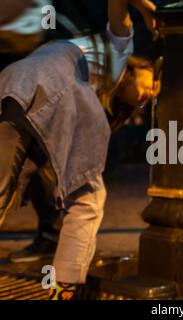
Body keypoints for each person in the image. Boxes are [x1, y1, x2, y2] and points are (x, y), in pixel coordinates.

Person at [0, 0, 159, 300]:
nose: (151, 94)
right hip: (56, 87)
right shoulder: (118, 52)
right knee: (88, 199)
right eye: (153, 82)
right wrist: (147, 9)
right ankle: (64, 290)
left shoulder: (92, 72)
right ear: (138, 66)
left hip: (12, 85)